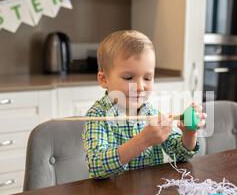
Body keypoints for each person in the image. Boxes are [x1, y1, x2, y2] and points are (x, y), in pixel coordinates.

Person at [82, 30, 206, 179]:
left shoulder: (149, 111)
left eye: (147, 78)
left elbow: (180, 155)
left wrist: (189, 133)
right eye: (128, 77)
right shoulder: (97, 115)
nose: (140, 87)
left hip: (150, 194)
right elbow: (97, 166)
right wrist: (142, 141)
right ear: (103, 79)